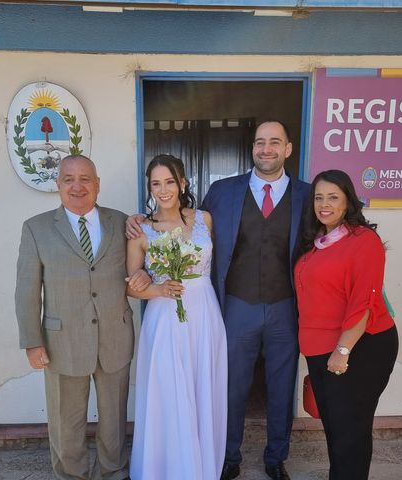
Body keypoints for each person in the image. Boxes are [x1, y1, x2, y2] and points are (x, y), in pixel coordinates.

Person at [127, 121, 310, 480]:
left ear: (288, 148)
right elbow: (177, 225)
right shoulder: (222, 193)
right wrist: (138, 220)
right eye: (260, 142)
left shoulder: (307, 194)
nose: (267, 148)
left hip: (285, 306)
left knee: (281, 384)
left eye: (275, 142)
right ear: (252, 148)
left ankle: (276, 458)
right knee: (230, 385)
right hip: (235, 306)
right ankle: (228, 457)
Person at [15, 155, 148, 480]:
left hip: (115, 338)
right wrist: (33, 342)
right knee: (66, 421)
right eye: (69, 179)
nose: (78, 186)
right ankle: (71, 475)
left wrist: (143, 270)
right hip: (63, 343)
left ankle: (113, 472)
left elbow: (139, 264)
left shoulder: (122, 223)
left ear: (98, 184)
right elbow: (27, 291)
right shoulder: (36, 228)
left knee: (114, 419)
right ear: (58, 185)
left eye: (86, 178)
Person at [126, 154, 228, 480]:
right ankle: (166, 469)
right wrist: (157, 290)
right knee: (168, 393)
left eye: (169, 181)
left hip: (204, 315)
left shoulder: (205, 220)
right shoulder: (141, 230)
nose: (163, 189)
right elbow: (132, 285)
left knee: (202, 389)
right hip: (164, 319)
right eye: (156, 183)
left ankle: (201, 467)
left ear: (182, 183)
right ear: (150, 188)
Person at [294, 169, 398, 480]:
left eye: (333, 197)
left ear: (348, 201)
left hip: (358, 347)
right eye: (319, 197)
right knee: (337, 429)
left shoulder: (363, 241)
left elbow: (363, 301)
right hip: (321, 349)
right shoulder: (318, 242)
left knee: (350, 430)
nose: (324, 204)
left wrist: (343, 350)